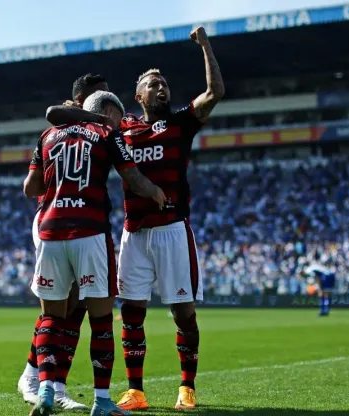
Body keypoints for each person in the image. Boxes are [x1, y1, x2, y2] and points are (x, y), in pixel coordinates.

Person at [44, 26, 224, 411]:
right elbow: (67, 118)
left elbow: (214, 94)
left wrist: (205, 46)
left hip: (173, 229)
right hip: (133, 233)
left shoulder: (179, 123)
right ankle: (136, 390)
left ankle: (186, 387)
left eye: (164, 84)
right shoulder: (120, 128)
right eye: (153, 84)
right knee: (131, 313)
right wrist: (82, 107)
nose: (162, 88)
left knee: (183, 312)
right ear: (137, 96)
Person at [26, 90, 165, 416]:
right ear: (105, 112)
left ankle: (46, 388)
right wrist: (156, 191)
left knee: (51, 318)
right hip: (89, 231)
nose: (122, 125)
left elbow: (30, 188)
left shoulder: (47, 136)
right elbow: (132, 178)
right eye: (118, 117)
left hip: (50, 231)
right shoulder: (107, 134)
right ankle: (102, 402)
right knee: (101, 319)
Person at [17, 73, 109, 411]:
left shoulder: (87, 131)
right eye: (100, 95)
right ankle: (41, 380)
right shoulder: (67, 122)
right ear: (82, 97)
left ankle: (48, 381)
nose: (105, 102)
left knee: (77, 305)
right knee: (61, 305)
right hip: (53, 221)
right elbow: (53, 112)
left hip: (71, 223)